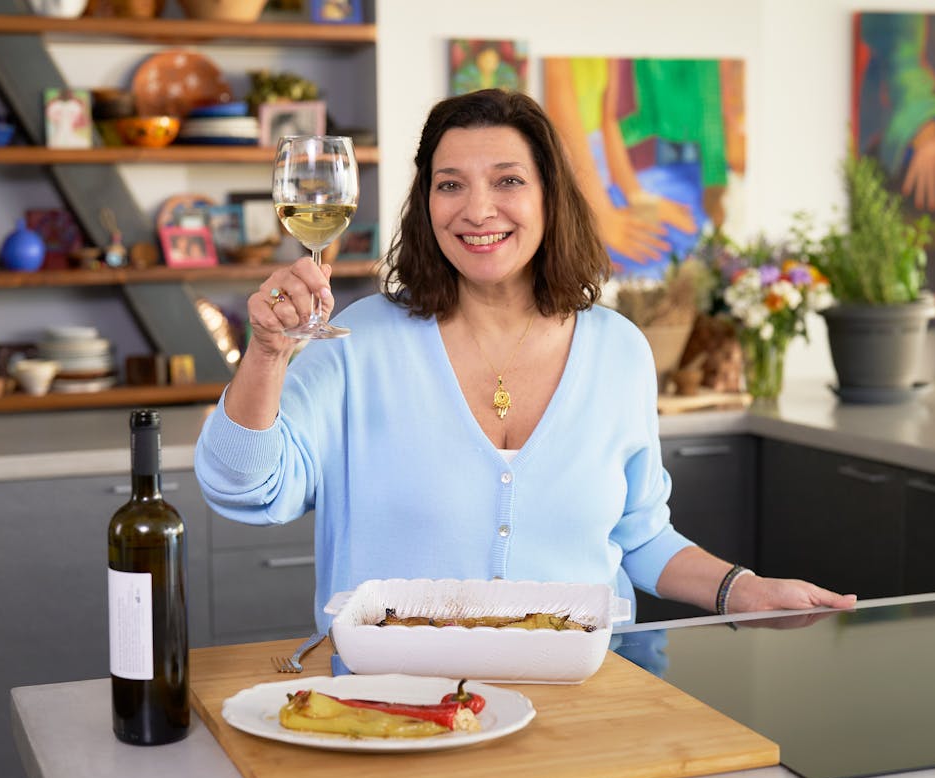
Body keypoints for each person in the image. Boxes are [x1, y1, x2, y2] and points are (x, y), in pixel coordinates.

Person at [194, 89, 856, 633]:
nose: (477, 209)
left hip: (586, 695)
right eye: (450, 184)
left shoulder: (618, 349)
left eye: (508, 181)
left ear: (549, 197)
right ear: (426, 206)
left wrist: (745, 590)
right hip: (394, 704)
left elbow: (642, 535)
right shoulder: (358, 341)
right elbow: (244, 487)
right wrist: (269, 351)